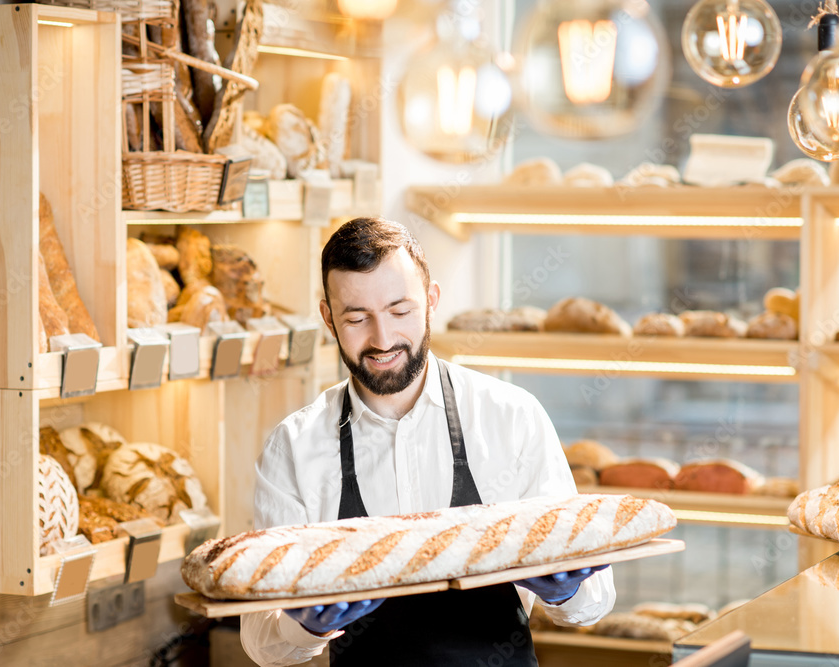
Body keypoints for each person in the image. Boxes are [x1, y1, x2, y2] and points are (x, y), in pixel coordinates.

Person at [241, 217, 616, 666]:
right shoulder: (295, 448)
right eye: (357, 318)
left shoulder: (511, 417)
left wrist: (569, 589)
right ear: (328, 318)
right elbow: (261, 640)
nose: (382, 340)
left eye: (400, 312)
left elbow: (594, 599)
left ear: (431, 301)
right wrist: (302, 626)